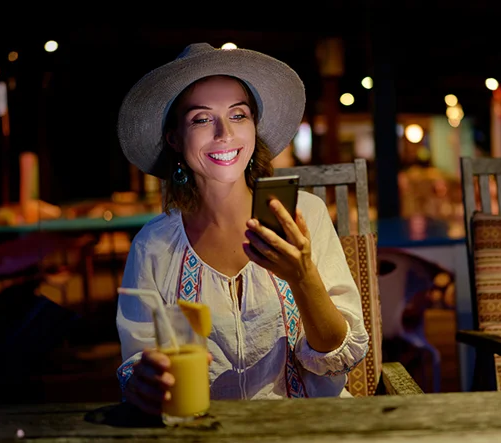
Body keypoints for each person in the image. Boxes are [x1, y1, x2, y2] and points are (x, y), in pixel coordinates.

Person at [115, 42, 369, 415]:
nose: (224, 134)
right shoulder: (153, 245)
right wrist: (146, 382)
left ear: (254, 126)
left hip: (309, 428)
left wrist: (302, 277)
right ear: (173, 138)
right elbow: (137, 364)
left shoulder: (303, 215)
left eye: (238, 115)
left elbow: (338, 355)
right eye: (201, 119)